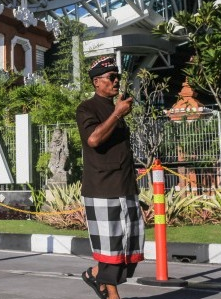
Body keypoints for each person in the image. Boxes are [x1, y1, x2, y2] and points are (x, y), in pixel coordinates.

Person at [75, 56, 144, 299]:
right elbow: (93, 140)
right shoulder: (87, 107)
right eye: (111, 77)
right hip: (102, 188)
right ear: (96, 82)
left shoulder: (117, 109)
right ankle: (111, 293)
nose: (116, 82)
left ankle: (95, 274)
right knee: (111, 249)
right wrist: (117, 114)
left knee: (129, 248)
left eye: (118, 77)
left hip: (126, 187)